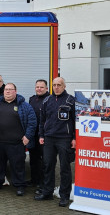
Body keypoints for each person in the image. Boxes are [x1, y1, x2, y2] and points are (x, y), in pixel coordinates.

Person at [34, 77, 76, 207]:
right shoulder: (47, 100)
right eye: (54, 85)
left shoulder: (71, 101)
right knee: (48, 166)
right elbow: (42, 120)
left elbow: (76, 121)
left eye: (59, 85)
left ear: (64, 86)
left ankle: (64, 196)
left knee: (64, 168)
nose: (56, 87)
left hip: (64, 138)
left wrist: (74, 138)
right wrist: (41, 135)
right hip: (49, 138)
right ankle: (47, 192)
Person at [0, 83, 36, 196]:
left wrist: (27, 136)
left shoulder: (24, 106)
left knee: (18, 165)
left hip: (16, 143)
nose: (8, 91)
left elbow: (32, 122)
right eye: (6, 89)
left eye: (10, 89)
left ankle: (20, 185)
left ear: (15, 91)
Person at [28, 79, 50, 192]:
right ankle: (34, 180)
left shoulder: (50, 99)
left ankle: (43, 183)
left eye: (41, 87)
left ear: (46, 88)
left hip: (45, 135)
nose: (39, 89)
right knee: (33, 158)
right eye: (37, 87)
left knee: (44, 160)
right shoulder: (32, 99)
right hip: (33, 134)